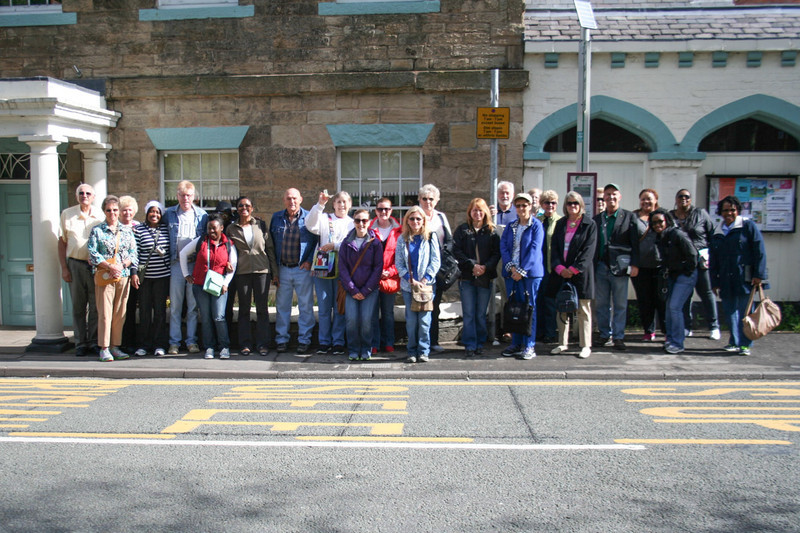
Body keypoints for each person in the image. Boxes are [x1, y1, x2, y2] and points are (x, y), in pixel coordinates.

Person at [710, 195, 768, 356]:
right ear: (720, 212)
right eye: (725, 210)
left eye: (732, 210)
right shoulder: (718, 231)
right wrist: (714, 281)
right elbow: (713, 259)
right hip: (725, 278)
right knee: (729, 312)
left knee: (745, 312)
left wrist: (759, 274)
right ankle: (734, 342)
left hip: (745, 277)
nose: (729, 213)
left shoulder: (748, 226)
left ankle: (745, 344)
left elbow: (759, 250)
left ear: (738, 210)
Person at [87, 195, 137, 362]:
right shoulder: (97, 230)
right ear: (104, 211)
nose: (112, 213)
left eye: (115, 210)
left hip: (122, 276)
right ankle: (104, 347)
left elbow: (132, 253)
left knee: (119, 313)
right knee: (105, 313)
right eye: (109, 210)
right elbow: (93, 253)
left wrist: (122, 266)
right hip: (105, 275)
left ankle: (115, 346)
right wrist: (110, 267)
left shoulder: (126, 230)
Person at [548, 191, 597, 359]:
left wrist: (574, 269)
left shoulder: (589, 224)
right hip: (562, 272)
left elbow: (589, 251)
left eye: (576, 203)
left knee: (583, 309)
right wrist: (560, 268)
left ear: (581, 205)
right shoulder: (561, 223)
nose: (573, 206)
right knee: (562, 307)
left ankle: (585, 345)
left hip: (581, 274)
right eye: (569, 203)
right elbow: (554, 248)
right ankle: (562, 343)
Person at [226, 196, 278, 357]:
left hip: (262, 271)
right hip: (242, 272)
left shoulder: (260, 225)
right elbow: (226, 249)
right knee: (244, 309)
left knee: (262, 309)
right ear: (237, 209)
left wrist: (275, 273)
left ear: (252, 208)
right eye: (240, 206)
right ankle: (245, 344)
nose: (244, 208)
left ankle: (263, 344)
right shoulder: (231, 228)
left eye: (247, 205)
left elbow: (269, 249)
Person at [180, 216, 237, 359]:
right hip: (200, 285)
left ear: (221, 228)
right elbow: (183, 254)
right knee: (205, 317)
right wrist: (186, 274)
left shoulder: (228, 244)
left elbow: (233, 266)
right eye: (209, 228)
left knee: (219, 317)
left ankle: (224, 346)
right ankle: (209, 347)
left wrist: (226, 283)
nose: (211, 231)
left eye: (214, 228)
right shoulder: (201, 241)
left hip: (219, 286)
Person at [270, 188, 319, 355]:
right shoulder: (276, 218)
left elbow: (316, 241)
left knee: (305, 306)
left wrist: (309, 260)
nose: (292, 202)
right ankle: (281, 340)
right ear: (284, 200)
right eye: (289, 198)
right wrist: (274, 271)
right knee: (282, 306)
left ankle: (304, 340)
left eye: (295, 198)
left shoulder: (309, 218)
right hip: (283, 268)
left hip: (301, 269)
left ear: (301, 199)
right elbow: (272, 245)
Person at [306, 190, 354, 356]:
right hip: (324, 266)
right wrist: (320, 204)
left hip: (343, 268)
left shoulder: (353, 223)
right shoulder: (325, 219)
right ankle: (324, 342)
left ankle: (338, 342)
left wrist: (335, 245)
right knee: (325, 306)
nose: (341, 205)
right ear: (333, 204)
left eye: (345, 202)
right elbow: (310, 224)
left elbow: (352, 244)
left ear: (350, 205)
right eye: (338, 202)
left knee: (339, 306)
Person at [593, 183, 639, 350]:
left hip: (620, 267)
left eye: (614, 194)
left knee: (620, 304)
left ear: (619, 197)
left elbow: (635, 243)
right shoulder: (597, 219)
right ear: (604, 198)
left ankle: (618, 336)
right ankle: (604, 334)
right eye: (608, 194)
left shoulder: (628, 217)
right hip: (601, 267)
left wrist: (635, 264)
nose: (610, 197)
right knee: (602, 304)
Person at [670, 188, 721, 341]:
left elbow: (712, 234)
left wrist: (712, 256)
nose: (683, 199)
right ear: (676, 199)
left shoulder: (700, 213)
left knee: (706, 293)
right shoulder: (671, 216)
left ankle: (714, 326)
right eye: (680, 196)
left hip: (700, 261)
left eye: (686, 197)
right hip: (681, 262)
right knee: (684, 296)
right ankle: (686, 326)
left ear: (690, 199)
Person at [452, 198, 500, 357]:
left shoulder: (491, 231)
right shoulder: (462, 230)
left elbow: (496, 253)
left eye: (480, 210)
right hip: (467, 277)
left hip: (485, 278)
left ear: (485, 212)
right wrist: (472, 265)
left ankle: (480, 343)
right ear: (470, 212)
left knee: (480, 313)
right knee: (469, 313)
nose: (478, 213)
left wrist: (485, 267)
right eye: (474, 210)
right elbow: (456, 251)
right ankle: (470, 344)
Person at [59, 184, 102, 357]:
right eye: (81, 193)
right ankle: (80, 342)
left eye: (88, 193)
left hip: (96, 266)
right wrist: (64, 268)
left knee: (95, 306)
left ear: (93, 196)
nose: (84, 195)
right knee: (78, 306)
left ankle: (93, 341)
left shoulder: (100, 214)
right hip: (75, 264)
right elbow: (61, 242)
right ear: (77, 196)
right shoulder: (67, 214)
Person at [164, 181, 208, 355]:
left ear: (194, 197)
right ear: (177, 196)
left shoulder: (202, 215)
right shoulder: (169, 214)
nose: (185, 199)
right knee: (175, 305)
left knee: (192, 306)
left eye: (188, 195)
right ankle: (174, 343)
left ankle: (191, 341)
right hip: (176, 264)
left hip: (194, 264)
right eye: (182, 195)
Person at [500, 192, 544, 360]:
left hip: (530, 275)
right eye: (518, 205)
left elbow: (535, 249)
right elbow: (504, 246)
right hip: (512, 274)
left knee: (529, 309)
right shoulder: (511, 225)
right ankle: (516, 343)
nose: (521, 208)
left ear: (530, 206)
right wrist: (512, 268)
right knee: (514, 308)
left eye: (524, 205)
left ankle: (529, 345)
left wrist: (522, 271)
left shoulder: (536, 226)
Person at [396, 206, 441, 363]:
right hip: (409, 287)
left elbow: (436, 260)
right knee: (411, 321)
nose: (415, 222)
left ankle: (423, 351)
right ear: (407, 220)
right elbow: (399, 263)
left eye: (418, 219)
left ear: (423, 221)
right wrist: (409, 278)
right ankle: (411, 351)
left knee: (424, 320)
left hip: (426, 287)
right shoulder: (402, 239)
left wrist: (425, 279)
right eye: (412, 218)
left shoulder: (430, 237)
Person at [650, 208, 698, 354]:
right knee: (669, 308)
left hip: (685, 275)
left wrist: (686, 271)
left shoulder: (677, 234)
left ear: (667, 221)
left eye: (660, 221)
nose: (657, 224)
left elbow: (693, 254)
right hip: (672, 275)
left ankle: (678, 343)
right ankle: (670, 340)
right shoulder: (660, 237)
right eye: (654, 222)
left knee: (675, 307)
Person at [339, 209, 384, 361]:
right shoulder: (346, 243)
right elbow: (342, 268)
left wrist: (366, 290)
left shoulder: (375, 243)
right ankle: (353, 349)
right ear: (354, 222)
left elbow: (378, 268)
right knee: (351, 320)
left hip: (369, 290)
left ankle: (366, 348)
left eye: (364, 220)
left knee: (366, 320)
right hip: (351, 290)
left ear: (369, 222)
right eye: (358, 220)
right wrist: (352, 289)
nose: (361, 224)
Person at [131, 201, 171, 356]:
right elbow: (134, 253)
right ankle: (144, 344)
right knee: (145, 312)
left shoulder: (166, 229)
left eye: (158, 212)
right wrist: (134, 272)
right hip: (145, 278)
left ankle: (159, 344)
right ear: (147, 213)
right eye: (152, 212)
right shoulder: (138, 230)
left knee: (160, 312)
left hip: (163, 277)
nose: (155, 215)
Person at [418, 184, 452, 353]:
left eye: (431, 199)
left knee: (434, 306)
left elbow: (449, 241)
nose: (428, 202)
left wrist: (442, 259)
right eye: (424, 199)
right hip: (418, 269)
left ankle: (433, 341)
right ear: (419, 199)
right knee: (419, 307)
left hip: (436, 269)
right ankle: (419, 342)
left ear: (437, 200)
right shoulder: (415, 216)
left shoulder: (441, 217)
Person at [368, 197, 402, 354]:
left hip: (390, 278)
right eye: (380, 209)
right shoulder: (368, 229)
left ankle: (388, 342)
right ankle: (373, 343)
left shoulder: (399, 231)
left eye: (386, 209)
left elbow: (401, 257)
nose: (383, 212)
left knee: (388, 313)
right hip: (371, 279)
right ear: (375, 211)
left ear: (391, 211)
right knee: (372, 313)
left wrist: (390, 271)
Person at [632, 189, 666, 342]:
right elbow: (631, 241)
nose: (646, 202)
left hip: (660, 266)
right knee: (645, 300)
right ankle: (648, 330)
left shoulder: (663, 215)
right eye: (643, 199)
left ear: (656, 200)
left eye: (649, 199)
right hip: (641, 267)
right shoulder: (633, 217)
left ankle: (666, 331)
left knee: (662, 300)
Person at [536, 190, 562, 343]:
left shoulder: (560, 221)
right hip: (538, 267)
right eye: (547, 202)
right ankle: (539, 331)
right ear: (542, 204)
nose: (550, 205)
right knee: (538, 301)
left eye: (553, 203)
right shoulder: (537, 221)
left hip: (553, 268)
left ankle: (550, 332)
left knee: (550, 302)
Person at [119, 195, 140, 353]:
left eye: (130, 210)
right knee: (120, 309)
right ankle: (118, 342)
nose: (127, 212)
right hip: (118, 273)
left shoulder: (138, 227)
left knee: (131, 308)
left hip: (135, 274)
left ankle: (130, 341)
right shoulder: (115, 227)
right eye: (124, 210)